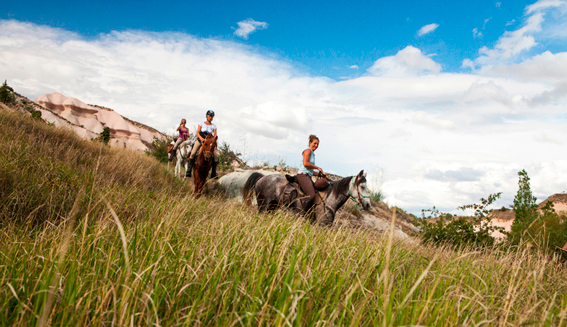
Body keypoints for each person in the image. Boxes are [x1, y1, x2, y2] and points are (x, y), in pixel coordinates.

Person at [296, 134, 326, 213]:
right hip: (302, 176)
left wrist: (320, 175)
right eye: (314, 143)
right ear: (310, 143)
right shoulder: (308, 151)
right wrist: (317, 167)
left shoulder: (312, 153)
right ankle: (301, 213)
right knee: (311, 195)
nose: (316, 145)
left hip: (307, 175)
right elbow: (305, 164)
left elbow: (310, 170)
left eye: (317, 144)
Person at [187, 110, 220, 178]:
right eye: (209, 116)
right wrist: (201, 138)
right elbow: (197, 132)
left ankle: (213, 173)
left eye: (212, 116)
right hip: (200, 140)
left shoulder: (214, 126)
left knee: (216, 156)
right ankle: (189, 170)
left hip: (209, 142)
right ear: (207, 116)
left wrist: (212, 141)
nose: (210, 117)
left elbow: (215, 135)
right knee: (193, 153)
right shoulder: (201, 123)